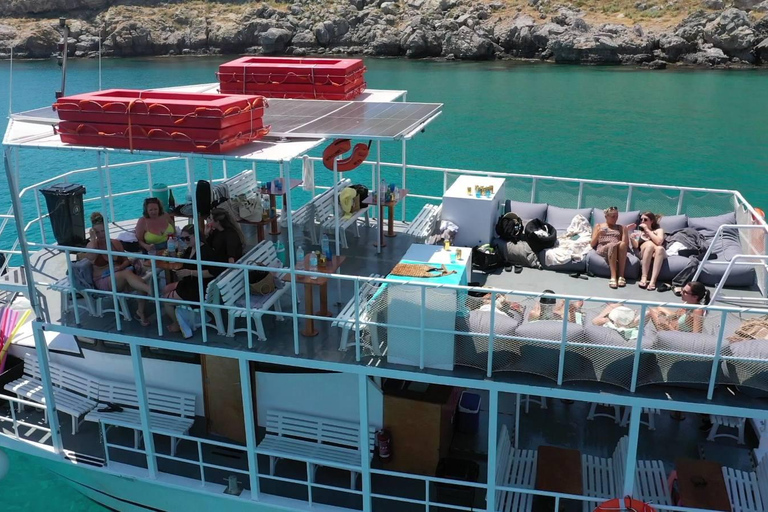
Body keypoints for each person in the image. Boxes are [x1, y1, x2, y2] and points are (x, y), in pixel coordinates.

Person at [85, 212, 153, 325]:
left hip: (120, 275)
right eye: (97, 232)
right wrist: (92, 239)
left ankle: (140, 312)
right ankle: (152, 291)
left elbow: (126, 260)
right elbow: (90, 257)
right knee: (128, 275)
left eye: (103, 231)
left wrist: (120, 267)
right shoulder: (92, 246)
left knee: (139, 281)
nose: (101, 234)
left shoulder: (115, 243)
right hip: (103, 280)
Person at [160, 224, 221, 337]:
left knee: (166, 301)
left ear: (196, 236)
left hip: (197, 289)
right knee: (166, 288)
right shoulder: (190, 250)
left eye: (187, 238)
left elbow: (212, 272)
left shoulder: (206, 252)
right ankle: (184, 315)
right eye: (182, 238)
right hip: (192, 284)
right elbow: (181, 263)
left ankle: (177, 323)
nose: (185, 241)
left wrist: (190, 272)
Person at [592, 206, 629, 289]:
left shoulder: (620, 227)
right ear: (606, 217)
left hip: (616, 246)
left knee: (621, 244)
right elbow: (592, 244)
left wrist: (625, 231)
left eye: (616, 216)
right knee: (612, 245)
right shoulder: (599, 226)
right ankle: (613, 277)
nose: (615, 219)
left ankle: (621, 276)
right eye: (613, 217)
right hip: (603, 247)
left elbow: (625, 244)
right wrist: (598, 234)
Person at [629, 212, 665, 291]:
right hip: (646, 251)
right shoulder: (638, 232)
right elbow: (635, 246)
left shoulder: (658, 230)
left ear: (651, 221)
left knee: (660, 249)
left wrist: (647, 230)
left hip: (658, 253)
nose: (642, 221)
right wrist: (631, 238)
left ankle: (653, 281)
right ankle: (644, 277)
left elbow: (659, 242)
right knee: (649, 245)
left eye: (645, 219)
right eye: (641, 219)